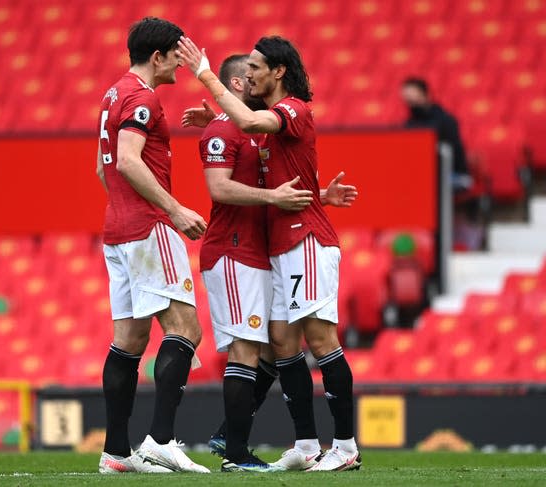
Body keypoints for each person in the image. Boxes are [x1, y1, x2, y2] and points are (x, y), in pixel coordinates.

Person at [177, 36, 361, 471]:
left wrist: (205, 74)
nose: (251, 73)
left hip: (306, 242)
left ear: (278, 72)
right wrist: (219, 118)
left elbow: (256, 126)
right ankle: (305, 443)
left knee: (321, 340)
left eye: (257, 66)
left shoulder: (293, 109)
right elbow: (282, 174)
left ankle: (347, 447)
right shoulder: (264, 121)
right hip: (281, 245)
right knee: (281, 343)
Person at [95, 17, 210, 474]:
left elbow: (103, 170)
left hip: (117, 231)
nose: (180, 68)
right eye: (175, 58)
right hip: (148, 228)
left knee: (129, 340)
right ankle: (160, 440)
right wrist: (174, 210)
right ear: (157, 57)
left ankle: (116, 454)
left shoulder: (112, 95)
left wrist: (127, 208)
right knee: (186, 329)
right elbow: (126, 160)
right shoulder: (142, 99)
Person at [195, 54, 315, 472]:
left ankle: (229, 434)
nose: (259, 80)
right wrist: (272, 198)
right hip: (232, 252)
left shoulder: (254, 132)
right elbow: (219, 188)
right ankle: (235, 455)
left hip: (257, 255)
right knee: (245, 350)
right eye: (251, 75)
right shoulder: (223, 130)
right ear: (238, 83)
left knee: (269, 350)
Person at [401, 77, 472, 191]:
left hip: (452, 173)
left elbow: (451, 151)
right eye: (407, 98)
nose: (409, 101)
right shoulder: (410, 124)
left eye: (413, 97)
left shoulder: (445, 120)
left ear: (424, 94)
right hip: (424, 175)